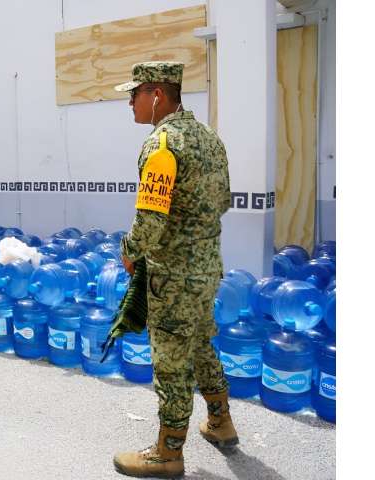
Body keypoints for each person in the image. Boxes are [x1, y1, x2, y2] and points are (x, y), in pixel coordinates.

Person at [112, 61, 236, 478]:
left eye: (135, 94)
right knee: (201, 344)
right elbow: (223, 202)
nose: (130, 102)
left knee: (170, 362)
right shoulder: (210, 139)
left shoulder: (162, 144)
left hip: (174, 278)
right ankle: (220, 421)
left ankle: (168, 452)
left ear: (157, 96)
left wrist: (129, 251)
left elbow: (149, 222)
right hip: (207, 269)